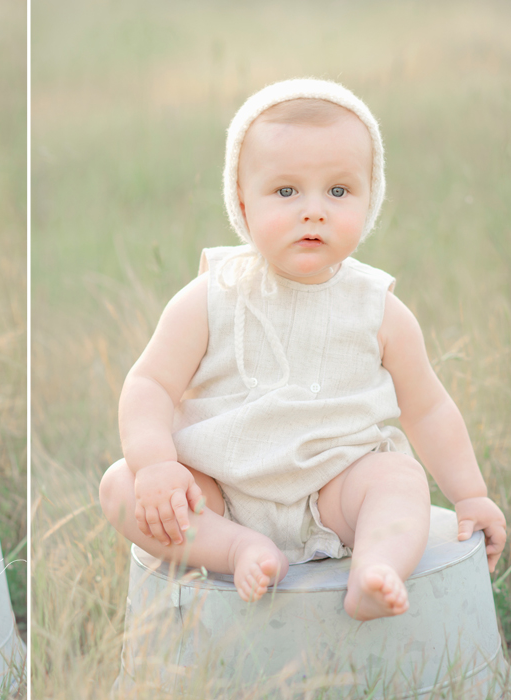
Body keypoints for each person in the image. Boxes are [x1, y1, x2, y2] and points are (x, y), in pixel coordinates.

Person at [99, 78, 507, 621]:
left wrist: (470, 495)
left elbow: (427, 408)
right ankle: (235, 547)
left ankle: (374, 570)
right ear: (243, 204)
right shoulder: (209, 296)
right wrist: (153, 463)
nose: (313, 211)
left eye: (338, 192)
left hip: (334, 491)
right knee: (119, 488)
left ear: (370, 198)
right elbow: (150, 383)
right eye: (286, 192)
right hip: (217, 490)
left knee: (399, 480)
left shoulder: (377, 308)